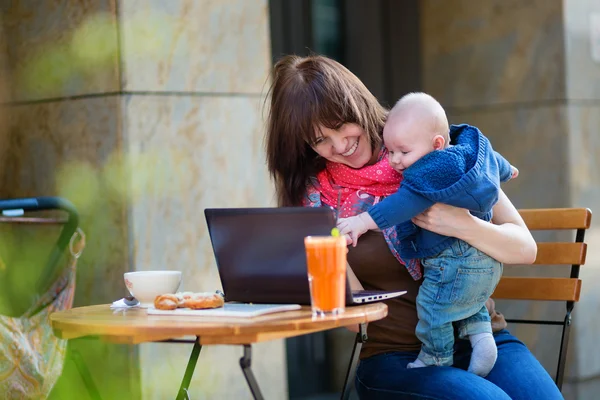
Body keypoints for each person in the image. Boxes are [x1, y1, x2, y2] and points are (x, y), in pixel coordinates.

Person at [265, 54, 562, 399]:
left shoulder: (427, 148)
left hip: (482, 339)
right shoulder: (316, 200)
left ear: (358, 105)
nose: (340, 145)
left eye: (342, 125)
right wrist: (331, 258)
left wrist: (461, 225)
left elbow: (525, 249)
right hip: (397, 357)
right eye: (320, 140)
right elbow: (354, 322)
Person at [337, 92, 517, 377]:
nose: (395, 161)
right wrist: (508, 171)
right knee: (461, 298)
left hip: (452, 260)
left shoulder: (427, 171)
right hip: (483, 268)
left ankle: (435, 356)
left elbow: (402, 203)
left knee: (432, 305)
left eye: (402, 152)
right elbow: (492, 161)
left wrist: (362, 220)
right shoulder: (467, 154)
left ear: (436, 144)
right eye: (390, 150)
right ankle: (481, 338)